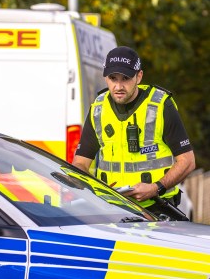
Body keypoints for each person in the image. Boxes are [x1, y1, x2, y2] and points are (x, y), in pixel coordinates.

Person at [72, 46, 195, 219]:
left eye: (126, 78)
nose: (118, 86)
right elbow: (80, 163)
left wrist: (155, 188)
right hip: (112, 211)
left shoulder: (160, 106)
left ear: (139, 76)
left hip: (156, 209)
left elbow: (187, 161)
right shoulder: (98, 109)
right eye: (113, 78)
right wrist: (91, 191)